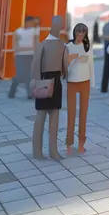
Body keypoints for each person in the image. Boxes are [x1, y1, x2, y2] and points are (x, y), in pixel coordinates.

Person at [31, 16, 67, 160]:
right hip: (50, 80)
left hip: (50, 80)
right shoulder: (51, 45)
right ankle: (44, 151)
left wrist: (36, 80)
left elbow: (36, 64)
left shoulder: (51, 44)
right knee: (47, 116)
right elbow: (36, 65)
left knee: (49, 116)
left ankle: (47, 151)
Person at [66, 23, 94, 154]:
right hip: (71, 82)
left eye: (83, 32)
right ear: (75, 32)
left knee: (83, 114)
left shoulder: (88, 47)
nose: (80, 34)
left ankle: (81, 143)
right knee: (71, 114)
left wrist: (92, 84)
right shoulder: (69, 46)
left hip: (85, 82)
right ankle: (69, 144)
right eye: (78, 32)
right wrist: (73, 58)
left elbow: (91, 66)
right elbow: (64, 64)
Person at [8, 15, 37, 99]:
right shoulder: (18, 32)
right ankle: (12, 91)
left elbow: (35, 46)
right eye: (32, 22)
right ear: (27, 22)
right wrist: (29, 48)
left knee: (29, 75)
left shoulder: (34, 31)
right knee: (20, 74)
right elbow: (15, 47)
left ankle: (29, 94)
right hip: (20, 56)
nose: (33, 24)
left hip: (30, 56)